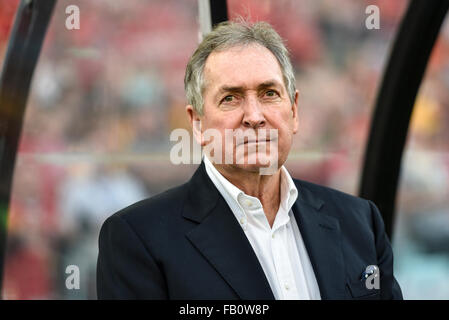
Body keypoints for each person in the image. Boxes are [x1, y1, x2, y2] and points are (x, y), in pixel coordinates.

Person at [96, 20, 403, 300]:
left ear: (294, 111)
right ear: (198, 123)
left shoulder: (360, 222)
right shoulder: (138, 240)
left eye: (269, 93)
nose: (255, 117)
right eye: (231, 98)